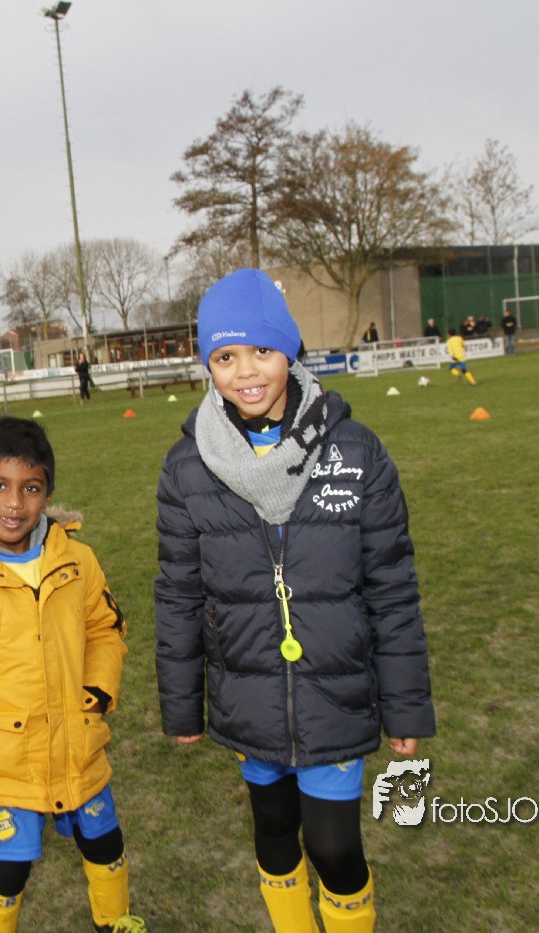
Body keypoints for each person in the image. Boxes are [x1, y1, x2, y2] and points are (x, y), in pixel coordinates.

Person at [154, 269, 435, 933]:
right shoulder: (187, 466)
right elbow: (179, 592)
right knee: (275, 832)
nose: (246, 372)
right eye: (225, 356)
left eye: (262, 350)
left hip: (334, 690)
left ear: (290, 350)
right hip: (247, 691)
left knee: (334, 849)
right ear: (207, 365)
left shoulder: (356, 451)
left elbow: (392, 587)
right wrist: (182, 703)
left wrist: (404, 703)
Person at [0, 416, 144, 933]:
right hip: (3, 764)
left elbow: (105, 629)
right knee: (8, 871)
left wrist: (96, 690)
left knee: (105, 844)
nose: (14, 504)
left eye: (30, 488)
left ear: (48, 494)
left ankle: (115, 921)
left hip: (78, 747)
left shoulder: (77, 560)